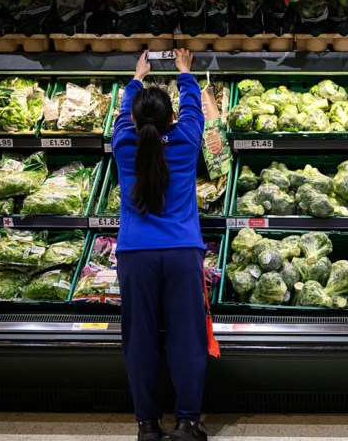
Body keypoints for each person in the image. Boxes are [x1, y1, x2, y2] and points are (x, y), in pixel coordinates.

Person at [113, 49, 209, 441]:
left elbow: (122, 114)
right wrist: (185, 71)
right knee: (187, 336)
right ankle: (187, 422)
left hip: (135, 254)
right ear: (172, 118)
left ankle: (147, 424)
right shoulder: (186, 140)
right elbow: (195, 109)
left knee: (141, 338)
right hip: (183, 252)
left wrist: (137, 77)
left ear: (135, 120)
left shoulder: (124, 145)